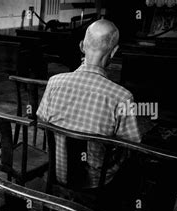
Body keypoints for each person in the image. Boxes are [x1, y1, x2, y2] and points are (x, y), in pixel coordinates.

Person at [37, 19, 142, 189]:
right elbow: (131, 146)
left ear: (81, 46)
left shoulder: (54, 82)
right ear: (114, 51)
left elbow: (42, 123)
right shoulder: (122, 97)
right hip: (96, 181)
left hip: (58, 171)